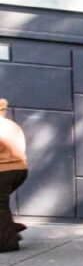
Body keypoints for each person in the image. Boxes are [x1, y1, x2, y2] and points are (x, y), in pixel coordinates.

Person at [0, 99, 28, 252]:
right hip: (20, 170)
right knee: (1, 205)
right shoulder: (12, 125)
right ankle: (10, 228)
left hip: (2, 171)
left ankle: (7, 242)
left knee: (0, 206)